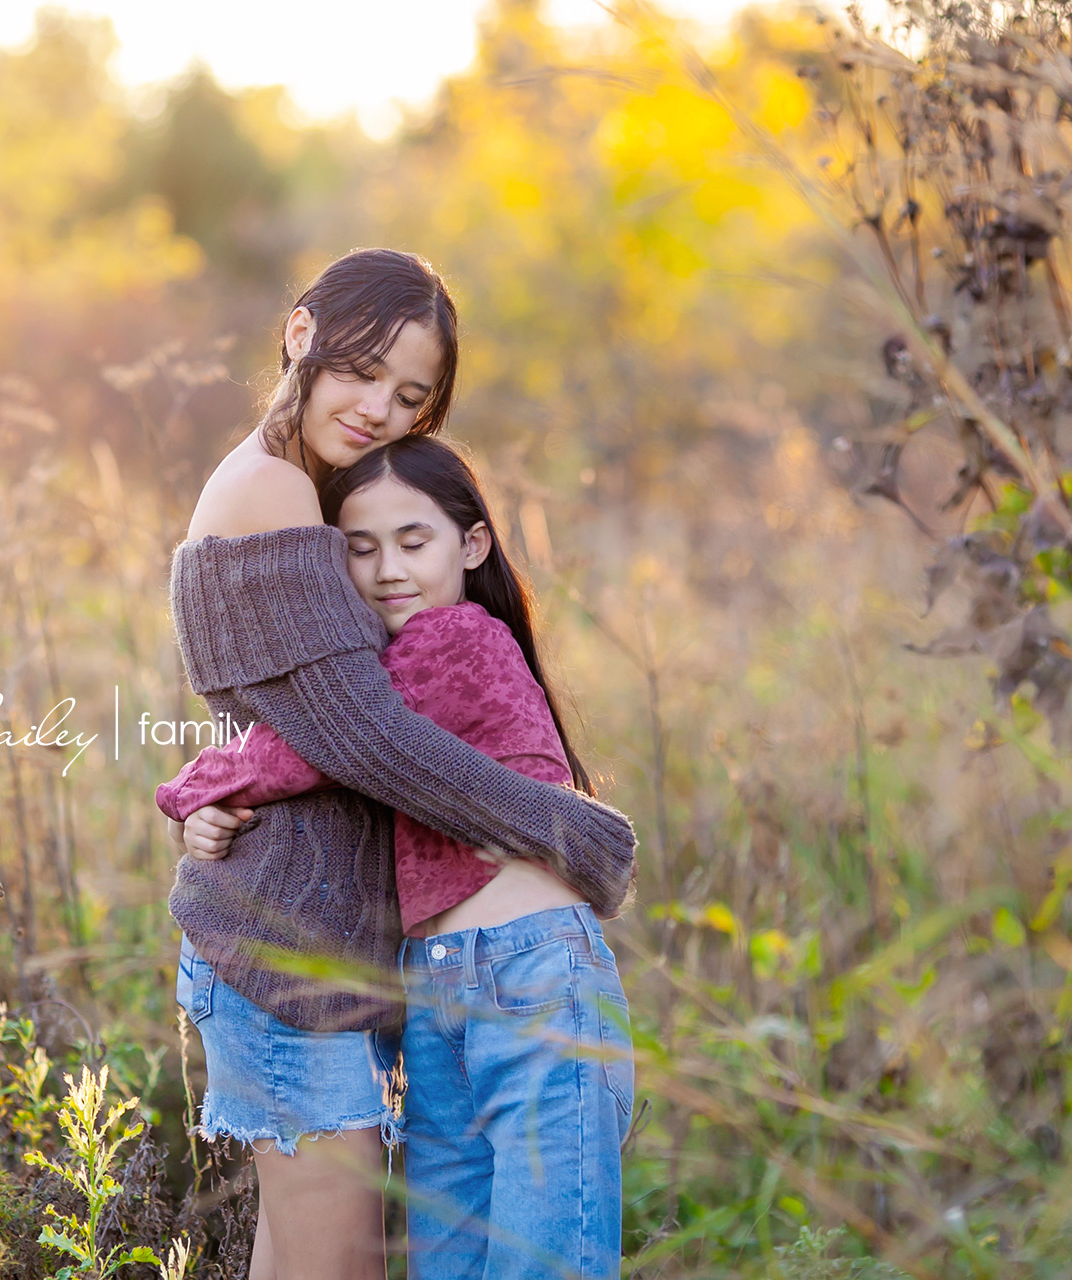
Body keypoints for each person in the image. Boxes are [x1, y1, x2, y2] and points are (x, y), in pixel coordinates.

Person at [161, 247, 637, 1280]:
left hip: (322, 944)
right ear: (300, 334)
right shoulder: (274, 490)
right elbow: (365, 734)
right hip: (286, 953)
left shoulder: (320, 500)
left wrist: (213, 791)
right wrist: (567, 826)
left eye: (410, 394)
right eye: (361, 369)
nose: (379, 407)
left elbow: (293, 719)